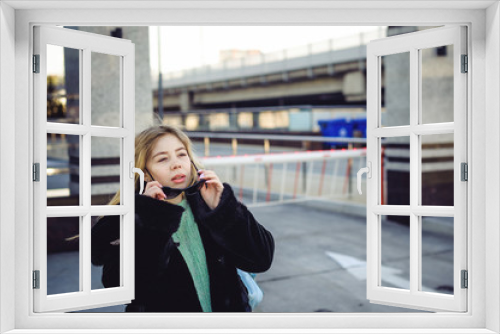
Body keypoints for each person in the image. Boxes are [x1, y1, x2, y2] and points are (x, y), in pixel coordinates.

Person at [91, 125, 275, 312]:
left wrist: (222, 210)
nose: (176, 164)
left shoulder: (208, 203)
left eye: (181, 154)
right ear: (145, 173)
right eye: (163, 159)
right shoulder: (131, 217)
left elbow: (261, 259)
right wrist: (153, 219)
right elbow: (121, 285)